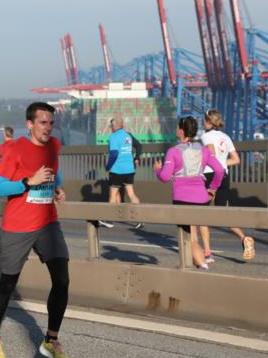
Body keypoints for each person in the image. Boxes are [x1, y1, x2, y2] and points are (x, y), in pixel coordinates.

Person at [0, 102, 70, 358]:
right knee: (8, 283)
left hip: (47, 223)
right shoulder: (15, 149)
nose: (48, 128)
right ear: (30, 124)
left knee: (62, 280)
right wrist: (27, 182)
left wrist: (57, 188)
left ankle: (50, 341)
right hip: (18, 225)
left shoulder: (54, 146)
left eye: (51, 123)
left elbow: (53, 173)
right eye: (43, 122)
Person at [155, 117, 225, 271]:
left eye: (177, 127)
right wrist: (212, 188)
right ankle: (194, 267)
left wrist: (157, 170)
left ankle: (203, 267)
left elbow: (165, 177)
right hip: (202, 197)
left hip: (182, 198)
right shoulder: (204, 150)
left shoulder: (173, 151)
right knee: (194, 237)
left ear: (181, 131)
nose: (175, 130)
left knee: (190, 238)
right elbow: (220, 170)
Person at [199, 110, 255, 262]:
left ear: (209, 122)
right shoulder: (226, 137)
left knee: (200, 214)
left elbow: (211, 154)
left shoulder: (206, 136)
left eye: (204, 120)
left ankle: (208, 254)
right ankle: (244, 238)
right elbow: (236, 159)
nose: (202, 123)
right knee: (223, 212)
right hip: (224, 175)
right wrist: (222, 164)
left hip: (211, 175)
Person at [101, 116, 144, 230]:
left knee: (113, 194)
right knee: (131, 193)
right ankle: (140, 219)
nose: (110, 128)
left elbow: (114, 154)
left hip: (117, 170)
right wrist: (137, 157)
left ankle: (109, 220)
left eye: (111, 126)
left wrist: (108, 166)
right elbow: (139, 145)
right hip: (129, 169)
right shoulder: (128, 135)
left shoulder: (113, 137)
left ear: (114, 126)